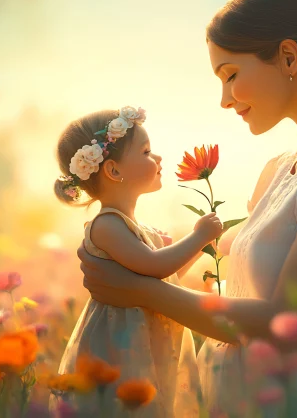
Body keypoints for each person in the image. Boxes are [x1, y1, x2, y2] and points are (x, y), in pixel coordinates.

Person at [76, 0, 297, 417]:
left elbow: (287, 324)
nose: (225, 100)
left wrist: (138, 290)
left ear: (288, 57)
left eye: (230, 75)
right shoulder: (280, 169)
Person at [52, 106, 222, 417]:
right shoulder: (107, 225)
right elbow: (155, 266)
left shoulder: (133, 227)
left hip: (147, 338)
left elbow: (161, 276)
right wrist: (198, 236)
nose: (158, 158)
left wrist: (202, 246)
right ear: (114, 171)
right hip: (122, 345)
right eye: (146, 151)